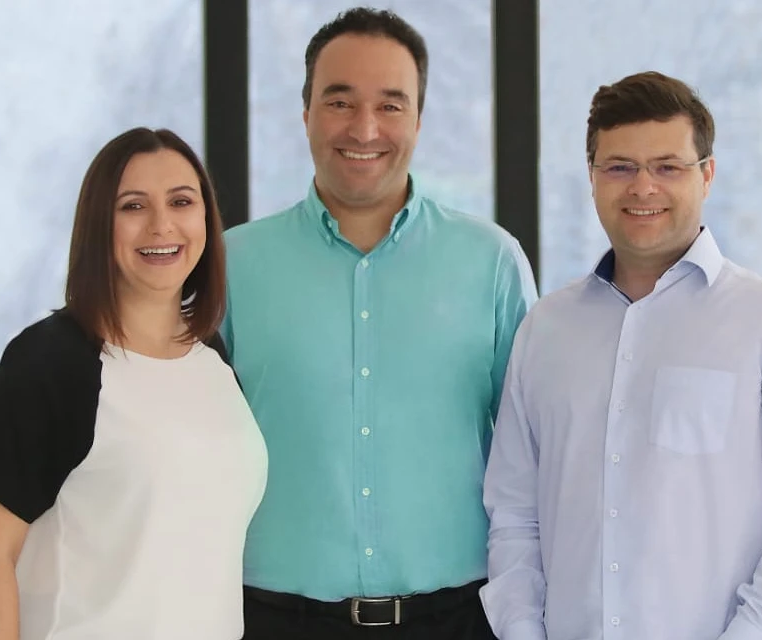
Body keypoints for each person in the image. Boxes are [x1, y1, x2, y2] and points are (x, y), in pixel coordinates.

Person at [480, 70, 762, 640]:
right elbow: (513, 511)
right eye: (620, 167)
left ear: (708, 175)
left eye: (668, 167)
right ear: (592, 177)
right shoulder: (545, 330)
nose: (643, 187)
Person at [221, 7, 537, 640]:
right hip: (274, 619)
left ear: (418, 119)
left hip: (458, 619)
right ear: (305, 112)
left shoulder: (492, 262)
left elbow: (536, 453)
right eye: (339, 102)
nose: (364, 128)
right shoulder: (231, 266)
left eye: (391, 105)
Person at [0, 127, 269, 640]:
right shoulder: (53, 360)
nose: (161, 224)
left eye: (181, 201)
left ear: (206, 219)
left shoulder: (211, 357)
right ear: (99, 224)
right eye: (133, 206)